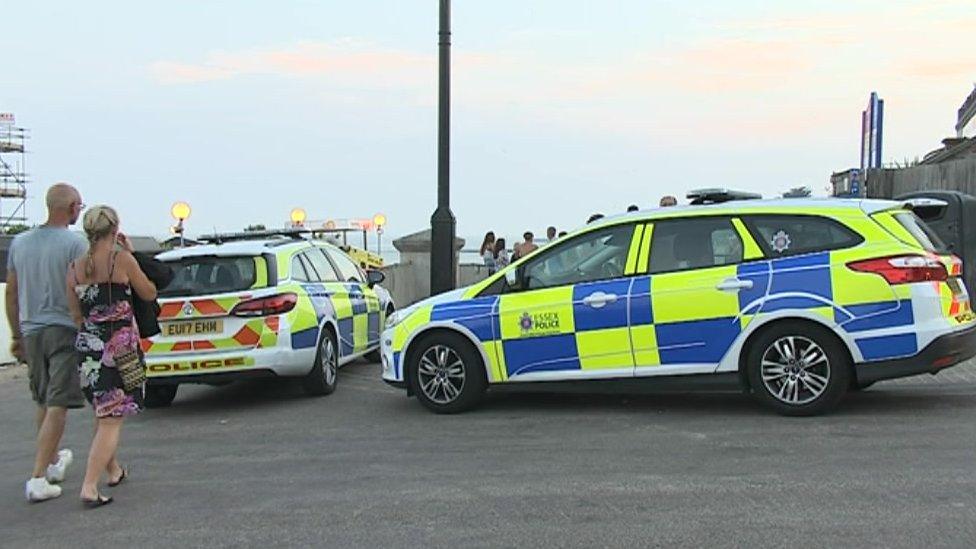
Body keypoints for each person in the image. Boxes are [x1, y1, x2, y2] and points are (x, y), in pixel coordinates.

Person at [66, 206, 157, 508]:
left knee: (103, 411)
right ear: (115, 228)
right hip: (121, 347)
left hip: (89, 346)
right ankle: (89, 487)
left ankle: (113, 469)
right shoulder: (122, 260)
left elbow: (75, 314)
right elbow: (148, 292)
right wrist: (132, 254)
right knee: (112, 419)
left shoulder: (74, 268)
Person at [7, 183, 88, 503]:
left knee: (42, 399)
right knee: (59, 403)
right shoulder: (74, 243)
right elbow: (83, 286)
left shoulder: (20, 242)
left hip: (31, 330)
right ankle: (38, 477)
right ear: (70, 207)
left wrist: (16, 335)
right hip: (64, 328)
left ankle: (52, 461)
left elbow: (11, 292)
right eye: (79, 206)